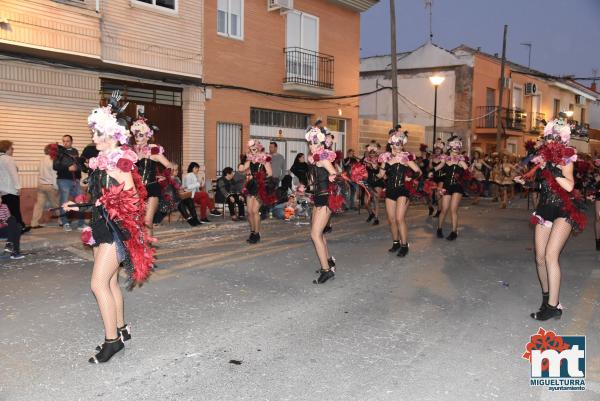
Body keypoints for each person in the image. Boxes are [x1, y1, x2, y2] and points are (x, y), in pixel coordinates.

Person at [63, 96, 154, 363]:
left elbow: (134, 199)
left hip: (115, 229)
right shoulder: (102, 159)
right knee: (111, 281)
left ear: (113, 135)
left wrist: (106, 203)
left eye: (99, 132)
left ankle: (112, 341)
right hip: (101, 226)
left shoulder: (118, 163)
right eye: (94, 131)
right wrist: (79, 207)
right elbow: (101, 198)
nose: (94, 136)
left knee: (98, 283)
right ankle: (122, 329)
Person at [519, 117, 585, 321]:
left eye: (556, 138)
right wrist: (524, 178)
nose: (551, 141)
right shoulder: (542, 157)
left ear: (563, 140)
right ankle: (547, 297)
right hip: (545, 207)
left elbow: (569, 186)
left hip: (565, 209)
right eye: (549, 138)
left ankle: (553, 306)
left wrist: (553, 170)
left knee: (550, 256)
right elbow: (533, 175)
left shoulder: (567, 157)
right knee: (539, 258)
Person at [378, 131, 421, 257]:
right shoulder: (386, 158)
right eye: (396, 144)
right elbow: (381, 175)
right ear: (391, 145)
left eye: (400, 144)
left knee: (399, 218)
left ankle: (404, 245)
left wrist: (410, 177)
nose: (399, 146)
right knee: (391, 220)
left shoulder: (405, 157)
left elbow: (418, 171)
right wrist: (368, 173)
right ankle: (396, 243)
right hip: (390, 190)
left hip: (402, 190)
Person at [305, 128, 339, 284]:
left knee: (315, 234)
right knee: (320, 234)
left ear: (321, 143)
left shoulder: (324, 158)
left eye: (315, 143)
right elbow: (314, 183)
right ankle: (328, 262)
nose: (313, 146)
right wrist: (304, 188)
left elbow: (336, 175)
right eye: (310, 144)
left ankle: (326, 271)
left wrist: (333, 176)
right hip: (317, 197)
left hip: (326, 198)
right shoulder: (314, 159)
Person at [132, 117, 174, 237]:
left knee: (147, 221)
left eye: (140, 135)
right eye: (135, 135)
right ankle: (140, 249)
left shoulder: (153, 151)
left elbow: (170, 166)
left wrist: (164, 176)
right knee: (135, 222)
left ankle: (148, 252)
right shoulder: (131, 151)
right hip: (135, 190)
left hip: (151, 189)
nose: (137, 137)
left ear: (147, 136)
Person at [434, 136, 469, 241]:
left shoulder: (461, 160)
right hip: (447, 186)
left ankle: (454, 231)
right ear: (450, 147)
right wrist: (430, 172)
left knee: (453, 209)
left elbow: (468, 173)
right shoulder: (445, 158)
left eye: (458, 146)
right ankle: (439, 229)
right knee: (444, 209)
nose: (456, 148)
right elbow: (437, 167)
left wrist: (464, 173)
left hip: (457, 187)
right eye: (454, 146)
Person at [243, 140, 275, 243]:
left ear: (258, 148)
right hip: (251, 185)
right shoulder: (250, 159)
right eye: (251, 149)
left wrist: (262, 177)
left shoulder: (264, 159)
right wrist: (246, 171)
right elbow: (244, 168)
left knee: (255, 211)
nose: (253, 151)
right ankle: (252, 231)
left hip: (260, 186)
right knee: (249, 211)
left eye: (254, 149)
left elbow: (270, 173)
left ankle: (257, 233)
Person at [54, 134, 85, 231]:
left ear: (71, 141)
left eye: (67, 141)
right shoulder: (59, 152)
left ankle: (81, 224)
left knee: (80, 200)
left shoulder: (75, 151)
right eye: (64, 141)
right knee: (64, 201)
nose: (65, 143)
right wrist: (67, 168)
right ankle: (65, 223)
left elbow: (77, 164)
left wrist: (79, 169)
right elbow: (55, 166)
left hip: (75, 180)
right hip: (63, 180)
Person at [0, 140, 29, 233]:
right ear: (6, 149)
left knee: (6, 212)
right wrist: (18, 187)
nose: (12, 150)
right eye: (11, 148)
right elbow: (13, 174)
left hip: (2, 190)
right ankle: (19, 228)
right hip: (10, 189)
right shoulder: (8, 159)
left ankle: (13, 227)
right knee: (15, 210)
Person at [31, 144, 60, 228]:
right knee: (56, 205)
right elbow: (54, 175)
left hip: (40, 185)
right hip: (50, 185)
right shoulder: (53, 160)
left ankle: (34, 223)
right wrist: (56, 187)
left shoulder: (41, 159)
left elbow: (39, 172)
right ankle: (62, 220)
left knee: (39, 205)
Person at [363, 141, 383, 225]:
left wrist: (375, 165)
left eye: (373, 153)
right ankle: (371, 213)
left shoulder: (380, 160)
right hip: (369, 182)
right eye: (370, 153)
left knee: (375, 200)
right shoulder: (365, 160)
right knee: (366, 202)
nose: (372, 154)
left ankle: (376, 218)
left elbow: (381, 170)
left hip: (378, 181)